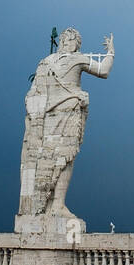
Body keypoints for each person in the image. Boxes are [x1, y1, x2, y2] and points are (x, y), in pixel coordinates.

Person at [19, 28, 114, 218]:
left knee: (47, 159)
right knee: (65, 157)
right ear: (74, 42)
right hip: (68, 113)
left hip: (43, 118)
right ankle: (57, 206)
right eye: (76, 42)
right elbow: (103, 71)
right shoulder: (77, 59)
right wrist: (111, 52)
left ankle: (45, 207)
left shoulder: (45, 62)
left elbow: (32, 95)